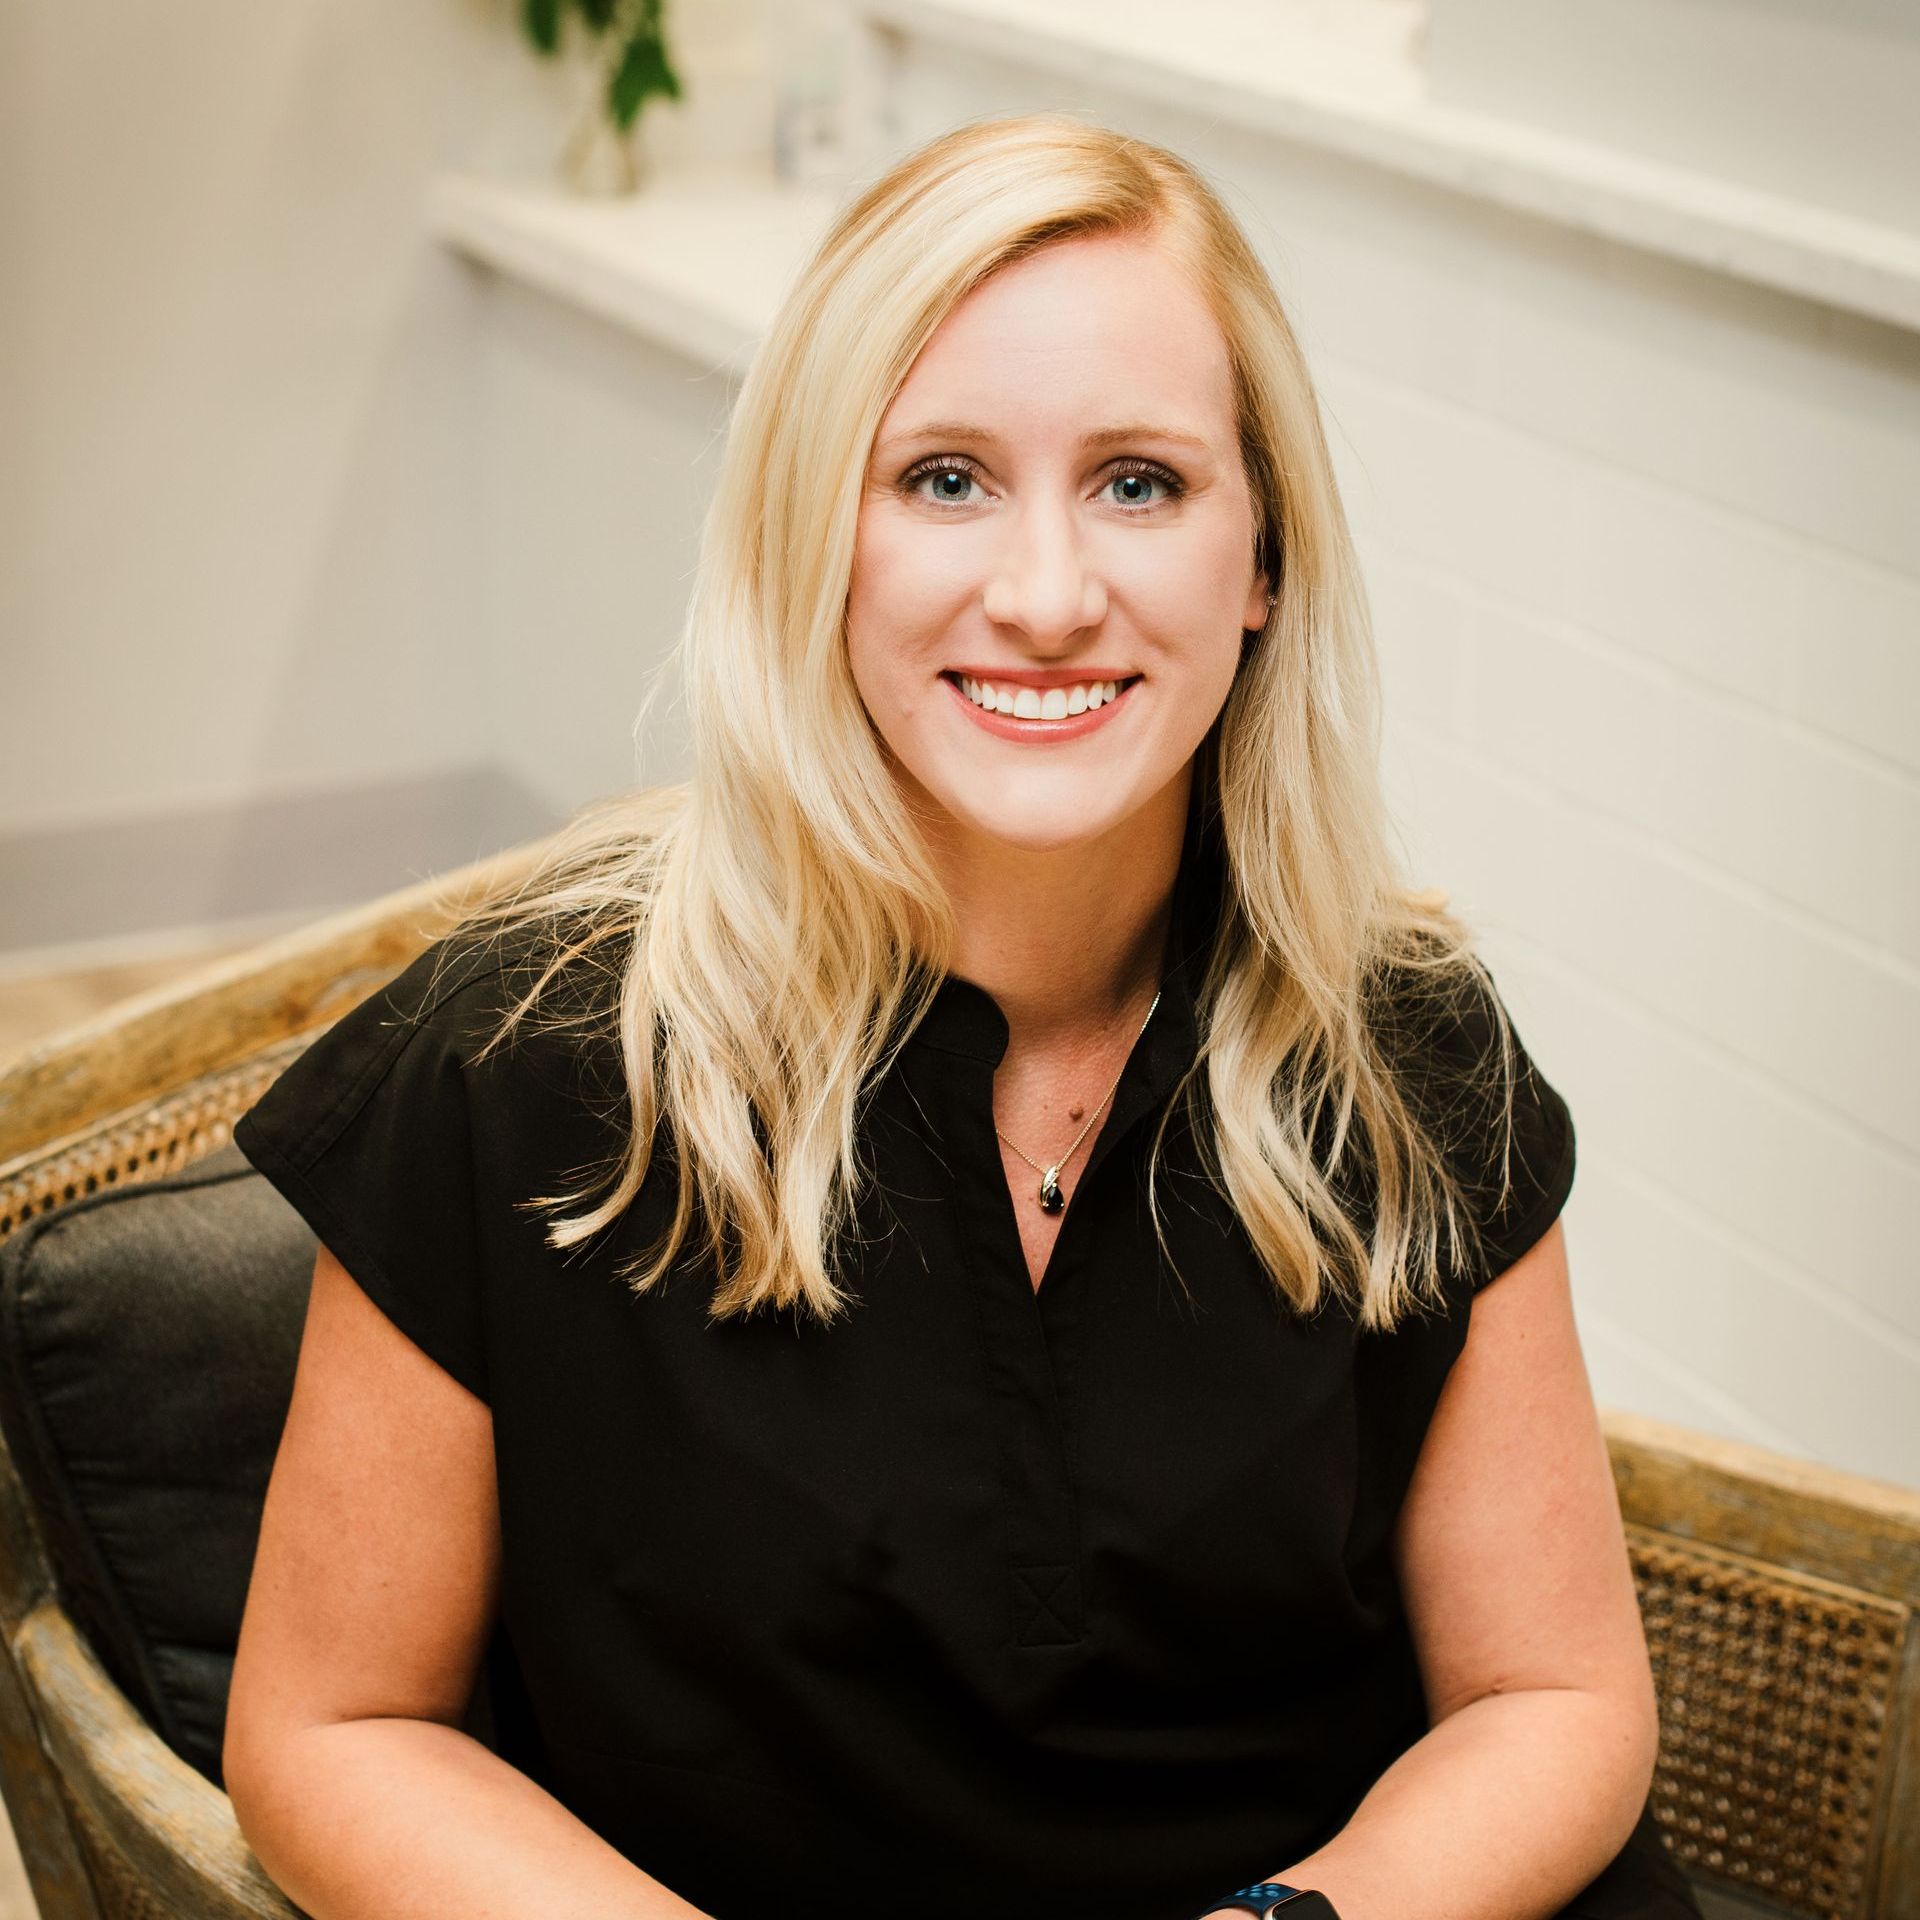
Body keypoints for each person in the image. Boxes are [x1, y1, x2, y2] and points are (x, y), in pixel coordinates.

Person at [221, 112, 1705, 1920]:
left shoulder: (1407, 1055)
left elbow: (1554, 1697)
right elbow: (334, 1726)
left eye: (1141, 483)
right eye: (944, 478)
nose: (1049, 594)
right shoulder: (522, 1059)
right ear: (809, 541)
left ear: (1263, 567)